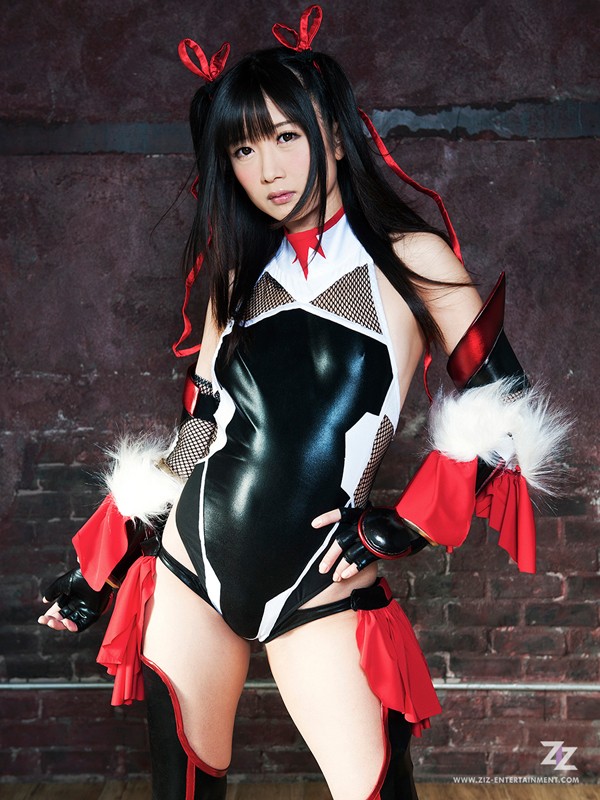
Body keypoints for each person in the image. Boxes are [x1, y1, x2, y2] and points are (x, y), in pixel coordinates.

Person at [38, 6, 568, 799]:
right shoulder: (234, 273)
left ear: (334, 134)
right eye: (243, 148)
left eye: (286, 136)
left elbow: (509, 411)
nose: (268, 169)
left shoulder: (413, 260)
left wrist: (405, 524)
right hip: (191, 569)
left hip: (321, 585)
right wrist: (102, 563)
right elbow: (200, 429)